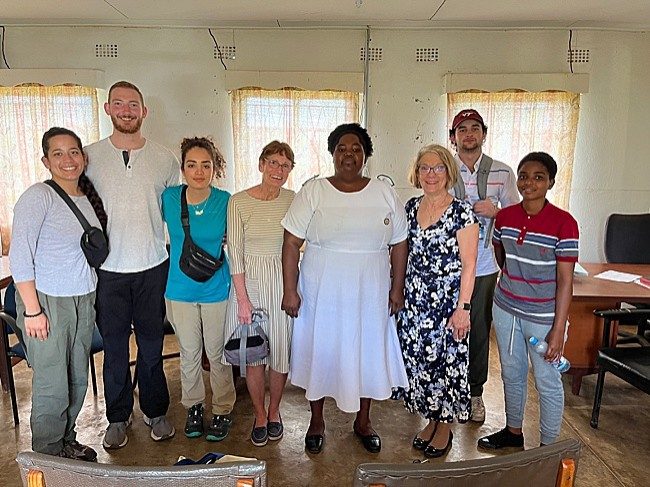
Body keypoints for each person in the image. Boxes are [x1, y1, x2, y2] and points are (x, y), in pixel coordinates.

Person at [282, 123, 408, 455]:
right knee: (320, 350)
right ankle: (317, 421)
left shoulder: (384, 193)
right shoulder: (314, 191)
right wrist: (290, 290)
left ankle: (363, 421)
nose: (348, 154)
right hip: (322, 287)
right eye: (341, 148)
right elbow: (292, 242)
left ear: (366, 155)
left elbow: (399, 244)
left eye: (356, 149)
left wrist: (397, 290)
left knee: (366, 349)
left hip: (370, 287)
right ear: (332, 154)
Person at [85, 81, 180, 449]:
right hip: (108, 271)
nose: (127, 110)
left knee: (152, 346)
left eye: (134, 104)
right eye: (119, 104)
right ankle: (117, 417)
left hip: (153, 265)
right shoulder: (90, 157)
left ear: (144, 111)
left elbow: (175, 213)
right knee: (114, 349)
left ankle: (156, 411)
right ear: (108, 108)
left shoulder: (165, 159)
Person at [9, 127, 108, 461]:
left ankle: (66, 439)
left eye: (74, 152)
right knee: (53, 384)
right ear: (46, 160)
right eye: (58, 153)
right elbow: (20, 256)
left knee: (77, 378)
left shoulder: (87, 199)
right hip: (48, 303)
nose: (68, 160)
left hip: (83, 298)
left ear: (83, 156)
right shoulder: (38, 196)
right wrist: (33, 311)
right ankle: (48, 458)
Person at [478, 152, 578, 449]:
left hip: (544, 318)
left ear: (550, 182)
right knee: (512, 372)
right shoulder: (505, 217)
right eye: (523, 175)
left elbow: (565, 281)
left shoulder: (564, 223)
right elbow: (501, 256)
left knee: (547, 380)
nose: (529, 182)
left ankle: (548, 448)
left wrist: (558, 329)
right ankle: (513, 432)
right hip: (507, 309)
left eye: (538, 177)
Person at [398, 144, 479, 458]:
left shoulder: (462, 211)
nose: (431, 174)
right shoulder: (409, 207)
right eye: (425, 168)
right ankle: (430, 420)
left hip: (447, 303)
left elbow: (470, 264)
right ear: (417, 174)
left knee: (446, 365)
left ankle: (445, 425)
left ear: (449, 171)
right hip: (414, 302)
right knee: (423, 366)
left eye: (438, 167)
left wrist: (464, 308)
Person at [162, 137, 235, 441]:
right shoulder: (169, 197)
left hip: (216, 289)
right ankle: (194, 406)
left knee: (217, 354)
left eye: (206, 165)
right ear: (182, 168)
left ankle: (221, 409)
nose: (199, 171)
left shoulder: (225, 200)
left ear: (215, 168)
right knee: (190, 353)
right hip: (179, 290)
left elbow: (238, 242)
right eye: (192, 165)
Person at [449, 109, 519, 422]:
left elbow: (520, 219)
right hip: (447, 267)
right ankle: (446, 391)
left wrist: (498, 211)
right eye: (462, 129)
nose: (468, 134)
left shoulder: (502, 173)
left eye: (474, 128)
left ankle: (475, 394)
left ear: (484, 134)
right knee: (445, 329)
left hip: (484, 267)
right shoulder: (441, 170)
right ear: (453, 137)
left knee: (477, 330)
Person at [224, 141, 295, 447]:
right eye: (273, 163)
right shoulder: (238, 201)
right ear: (261, 164)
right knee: (253, 356)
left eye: (285, 165)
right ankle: (259, 414)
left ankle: (275, 410)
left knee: (280, 353)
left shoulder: (294, 199)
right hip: (248, 283)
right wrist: (242, 299)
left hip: (282, 281)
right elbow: (235, 252)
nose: (278, 170)